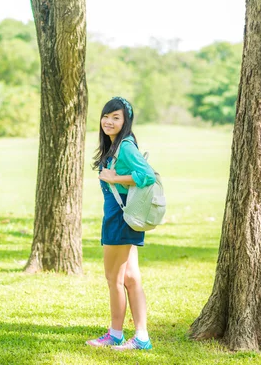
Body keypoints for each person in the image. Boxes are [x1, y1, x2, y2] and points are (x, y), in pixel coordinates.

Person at [86, 97, 155, 351]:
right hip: (123, 217)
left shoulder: (125, 146)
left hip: (120, 217)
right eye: (106, 116)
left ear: (126, 122)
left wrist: (115, 178)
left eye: (116, 117)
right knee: (131, 278)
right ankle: (142, 337)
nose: (109, 121)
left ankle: (116, 334)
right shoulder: (117, 146)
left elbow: (147, 176)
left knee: (113, 278)